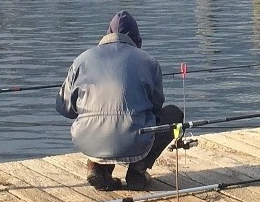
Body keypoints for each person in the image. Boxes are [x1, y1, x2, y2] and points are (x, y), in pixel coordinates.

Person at [55, 10, 183, 192]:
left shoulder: (81, 60)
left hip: (88, 141)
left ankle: (97, 167)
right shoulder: (149, 62)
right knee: (174, 115)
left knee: (93, 118)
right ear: (137, 38)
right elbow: (156, 106)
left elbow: (64, 108)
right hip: (135, 140)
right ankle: (138, 171)